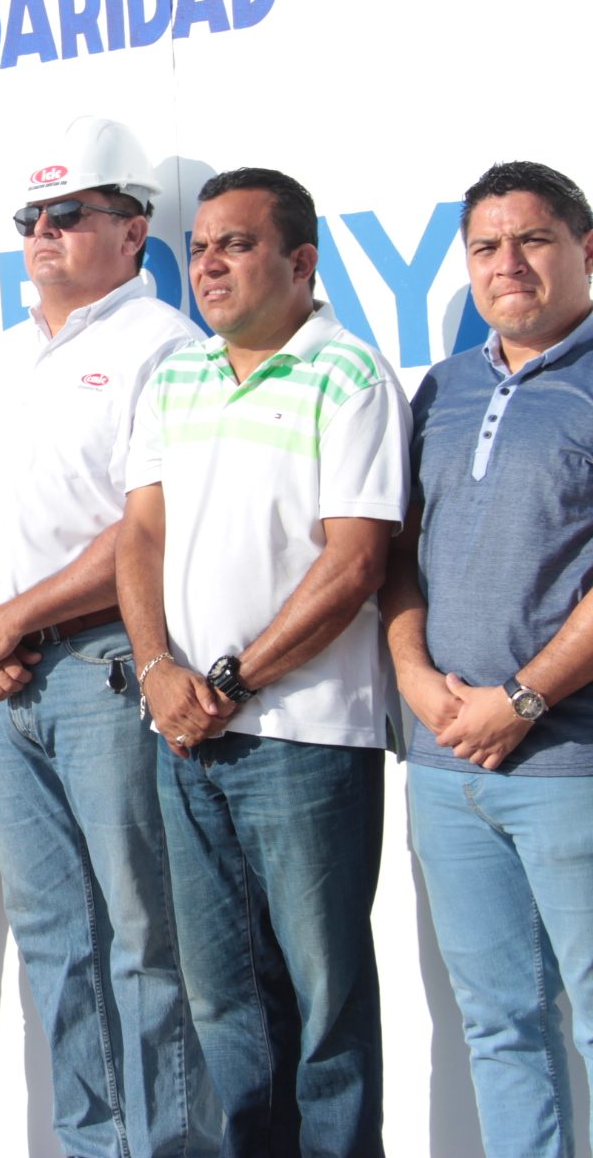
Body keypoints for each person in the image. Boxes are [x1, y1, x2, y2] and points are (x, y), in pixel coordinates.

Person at [0, 116, 213, 1157]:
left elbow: (144, 529)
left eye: (69, 213)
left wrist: (8, 620)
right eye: (30, 217)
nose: (43, 232)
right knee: (53, 939)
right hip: (1, 685)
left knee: (143, 936)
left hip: (104, 671)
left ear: (133, 230)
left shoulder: (164, 344)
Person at [118, 167, 408, 1156]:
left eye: (235, 244)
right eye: (199, 246)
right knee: (223, 1003)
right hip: (185, 737)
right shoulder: (177, 376)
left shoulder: (351, 376)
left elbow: (356, 561)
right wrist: (157, 670)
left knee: (326, 1008)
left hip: (305, 740)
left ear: (300, 261)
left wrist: (230, 682)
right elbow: (139, 536)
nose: (209, 264)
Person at [382, 160, 593, 1157]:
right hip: (445, 765)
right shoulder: (445, 386)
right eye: (485, 246)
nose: (507, 263)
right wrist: (415, 679)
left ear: (585, 250)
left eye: (533, 239)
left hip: (570, 762)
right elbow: (401, 556)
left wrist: (522, 697)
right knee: (500, 1027)